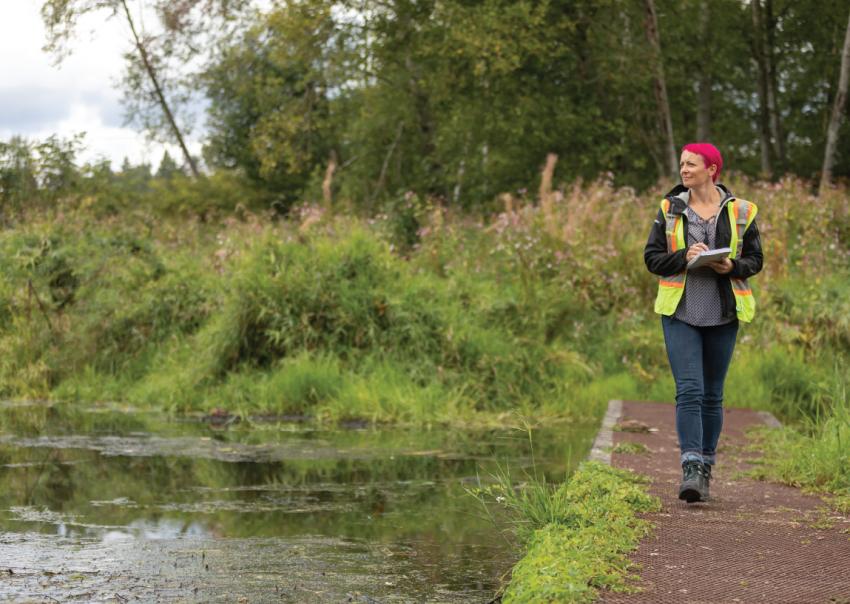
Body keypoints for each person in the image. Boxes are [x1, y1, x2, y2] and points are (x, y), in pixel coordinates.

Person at [643, 143, 763, 503]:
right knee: (690, 390)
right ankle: (691, 468)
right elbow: (652, 259)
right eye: (681, 164)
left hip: (723, 313)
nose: (684, 170)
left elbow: (756, 259)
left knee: (713, 395)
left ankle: (706, 465)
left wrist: (732, 267)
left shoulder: (742, 210)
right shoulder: (669, 208)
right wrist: (684, 256)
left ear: (711, 169)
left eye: (691, 164)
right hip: (680, 312)